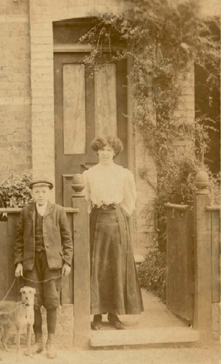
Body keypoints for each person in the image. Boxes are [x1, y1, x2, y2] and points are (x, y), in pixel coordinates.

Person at [83, 135, 144, 330]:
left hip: (117, 221)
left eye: (109, 150)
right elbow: (85, 200)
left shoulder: (123, 174)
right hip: (98, 220)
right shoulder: (89, 174)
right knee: (98, 264)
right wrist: (97, 212)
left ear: (115, 152)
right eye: (102, 150)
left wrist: (118, 214)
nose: (105, 154)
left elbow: (129, 200)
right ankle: (97, 314)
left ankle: (115, 314)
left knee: (117, 265)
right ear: (97, 152)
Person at [14, 179, 73, 359]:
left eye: (43, 191)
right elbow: (18, 240)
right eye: (37, 192)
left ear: (49, 193)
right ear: (32, 194)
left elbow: (67, 239)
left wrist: (67, 262)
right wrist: (19, 262)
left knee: (52, 301)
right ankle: (38, 341)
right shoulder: (26, 212)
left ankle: (51, 343)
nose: (40, 195)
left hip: (52, 263)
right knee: (33, 301)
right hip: (31, 263)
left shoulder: (58, 211)